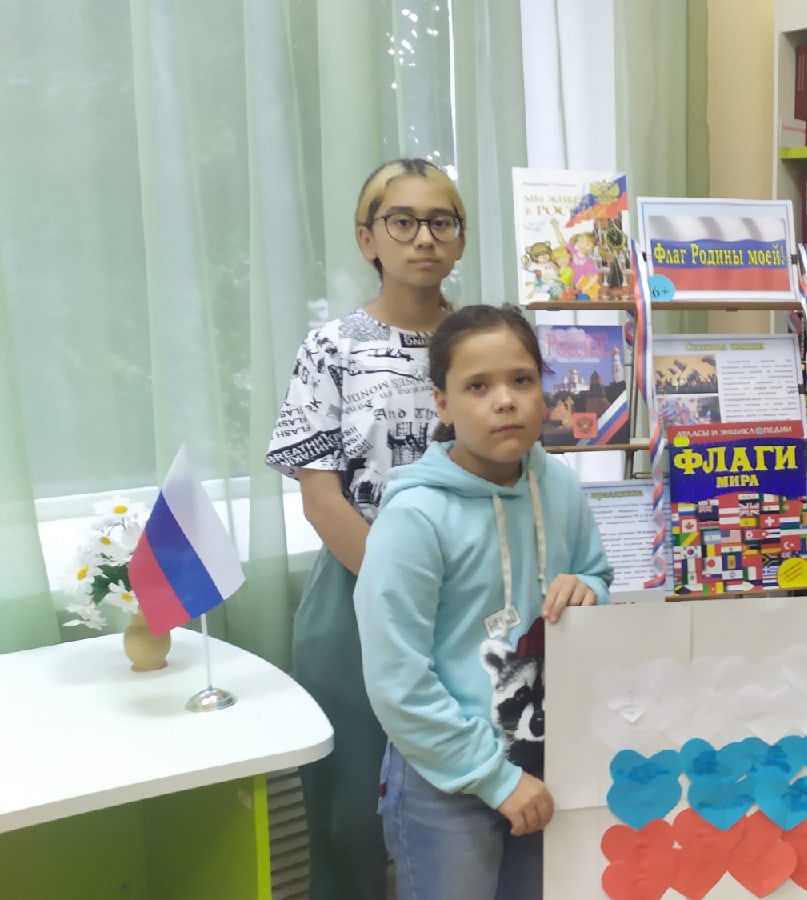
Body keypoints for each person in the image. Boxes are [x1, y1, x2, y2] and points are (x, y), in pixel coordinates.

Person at [354, 304, 613, 900]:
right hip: (446, 781)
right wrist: (493, 779)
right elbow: (397, 680)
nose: (505, 401)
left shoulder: (559, 486)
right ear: (442, 403)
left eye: (522, 380)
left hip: (548, 762)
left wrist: (589, 589)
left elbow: (596, 576)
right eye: (478, 386)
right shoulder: (415, 517)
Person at [264, 157, 467, 900]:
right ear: (367, 238)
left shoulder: (481, 340)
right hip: (357, 595)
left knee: (465, 803)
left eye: (441, 221)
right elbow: (321, 500)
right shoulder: (333, 347)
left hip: (473, 592)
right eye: (402, 221)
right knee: (350, 819)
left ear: (460, 237)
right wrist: (401, 591)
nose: (424, 238)